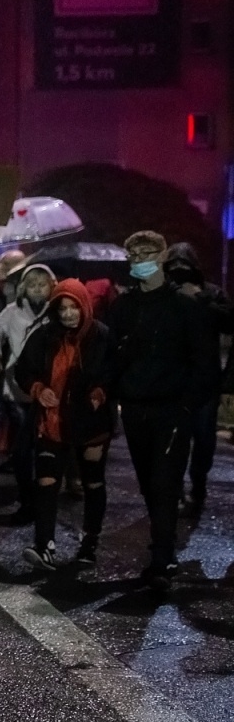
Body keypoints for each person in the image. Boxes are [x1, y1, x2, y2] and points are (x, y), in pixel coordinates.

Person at [107, 231, 218, 590]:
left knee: (164, 480)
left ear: (163, 254)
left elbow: (204, 361)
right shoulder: (124, 307)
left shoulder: (185, 307)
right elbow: (113, 357)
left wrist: (187, 404)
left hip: (172, 408)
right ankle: (162, 548)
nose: (140, 257)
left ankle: (162, 556)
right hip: (137, 407)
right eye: (134, 252)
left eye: (147, 251)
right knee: (148, 483)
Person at [16, 280, 115, 569]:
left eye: (74, 307)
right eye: (63, 308)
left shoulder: (101, 335)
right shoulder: (44, 336)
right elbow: (24, 369)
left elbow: (113, 371)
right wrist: (37, 388)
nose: (69, 314)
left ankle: (89, 543)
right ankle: (44, 544)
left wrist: (100, 391)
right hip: (52, 421)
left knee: (92, 481)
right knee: (46, 481)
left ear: (84, 306)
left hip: (91, 422)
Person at [163, 242, 234, 511]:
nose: (180, 270)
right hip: (172, 379)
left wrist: (202, 299)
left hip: (205, 380)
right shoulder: (164, 293)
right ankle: (176, 490)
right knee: (174, 439)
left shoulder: (211, 292)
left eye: (185, 265)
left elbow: (229, 321)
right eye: (175, 266)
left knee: (204, 439)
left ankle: (198, 487)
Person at [0, 263, 56, 522]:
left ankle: (43, 503)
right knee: (23, 449)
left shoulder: (56, 312)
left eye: (42, 284)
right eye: (32, 284)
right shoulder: (12, 312)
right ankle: (28, 501)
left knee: (44, 450)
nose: (37, 289)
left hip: (49, 390)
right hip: (17, 389)